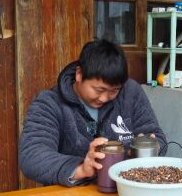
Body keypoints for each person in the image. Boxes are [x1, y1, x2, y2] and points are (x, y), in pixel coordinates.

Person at [19, 38, 166, 187]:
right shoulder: (50, 103)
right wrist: (81, 168)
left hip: (124, 193)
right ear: (79, 75)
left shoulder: (130, 93)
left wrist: (141, 149)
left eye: (114, 90)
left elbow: (157, 137)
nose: (104, 98)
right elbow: (32, 157)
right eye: (99, 90)